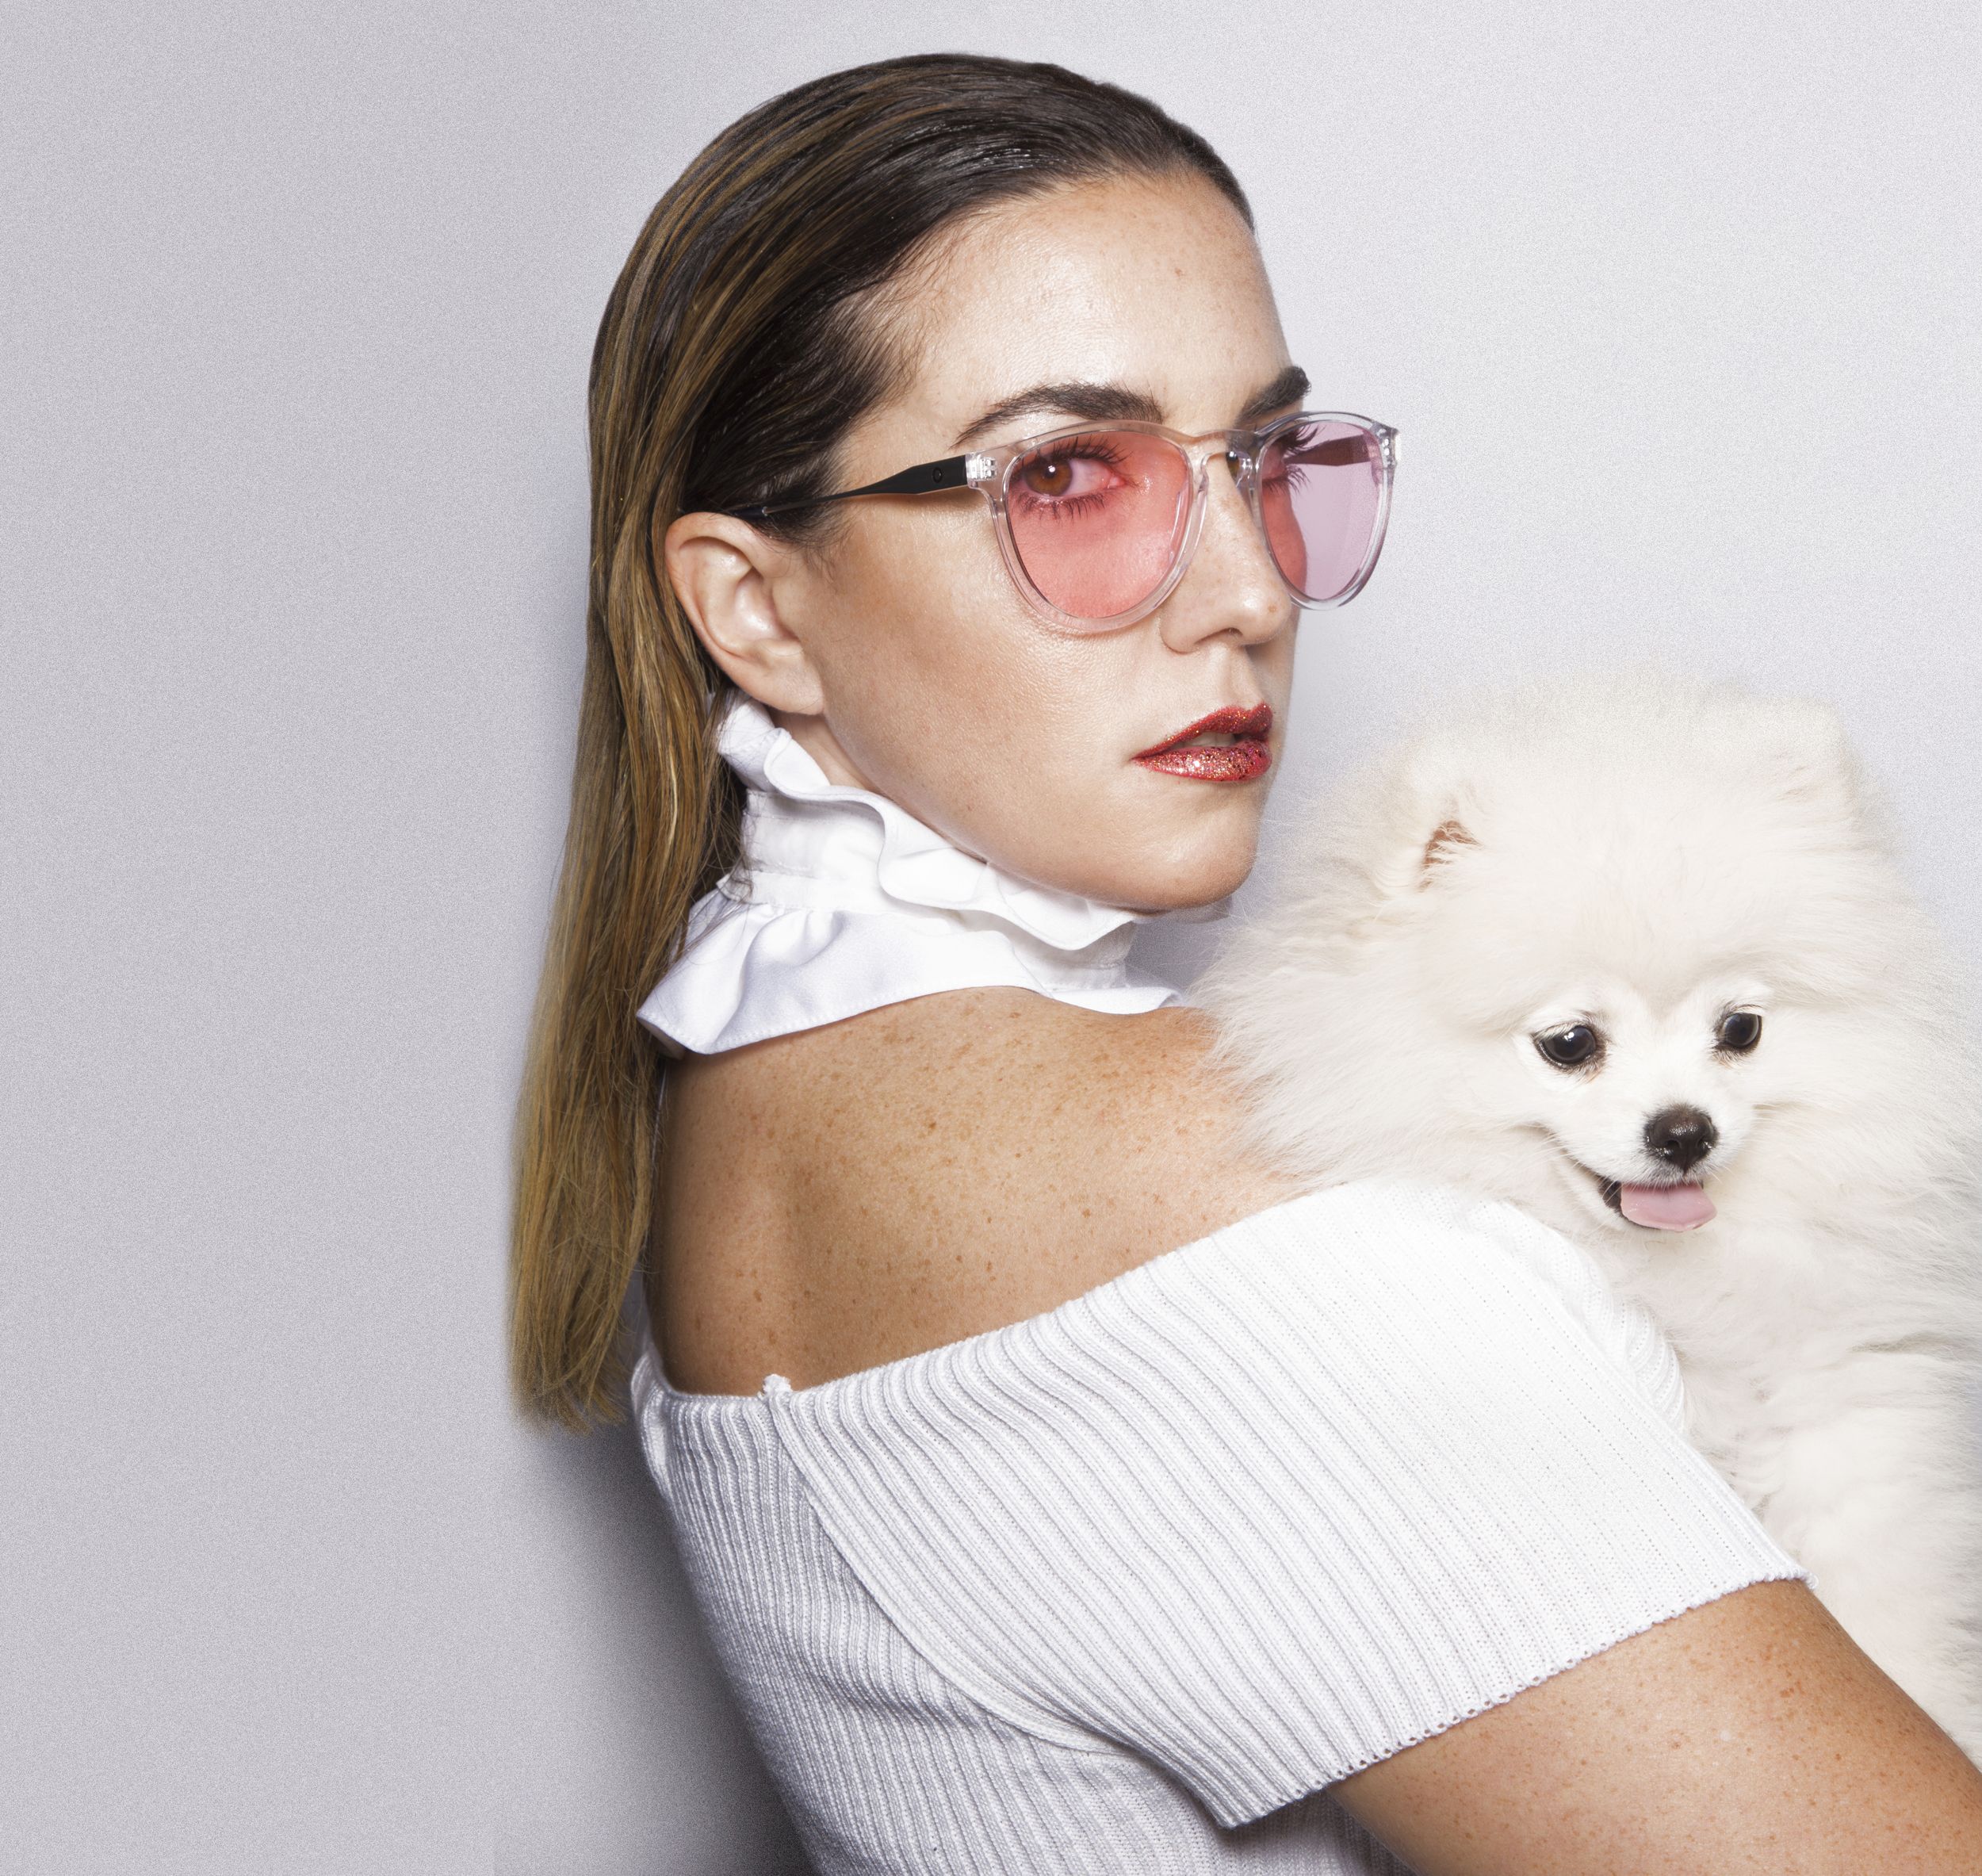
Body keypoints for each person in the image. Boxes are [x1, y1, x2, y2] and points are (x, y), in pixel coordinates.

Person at [509, 51, 1982, 1874]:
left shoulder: (747, 1099)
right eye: (1066, 475)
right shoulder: (1296, 1237)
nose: (1249, 590)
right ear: (755, 605)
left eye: (1266, 461)